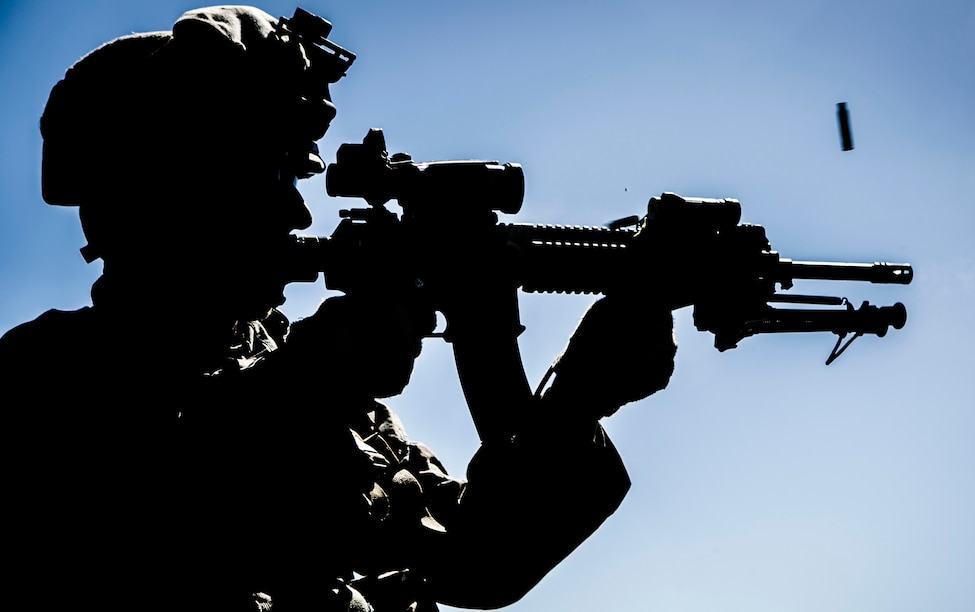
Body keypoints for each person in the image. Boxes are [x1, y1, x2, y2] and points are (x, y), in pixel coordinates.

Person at [0, 6, 677, 612]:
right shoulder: (43, 378)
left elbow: (478, 566)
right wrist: (314, 380)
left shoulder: (292, 374)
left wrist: (570, 403)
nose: (298, 209)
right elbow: (133, 530)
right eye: (262, 175)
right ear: (162, 191)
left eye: (296, 173)